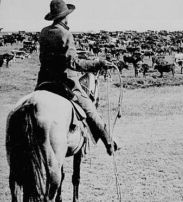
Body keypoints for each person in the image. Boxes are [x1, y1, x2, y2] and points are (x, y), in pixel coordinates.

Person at [36, 0, 117, 155]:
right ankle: (108, 142)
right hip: (64, 82)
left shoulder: (44, 32)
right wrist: (98, 63)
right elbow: (73, 62)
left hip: (44, 81)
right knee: (90, 108)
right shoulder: (65, 33)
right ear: (65, 17)